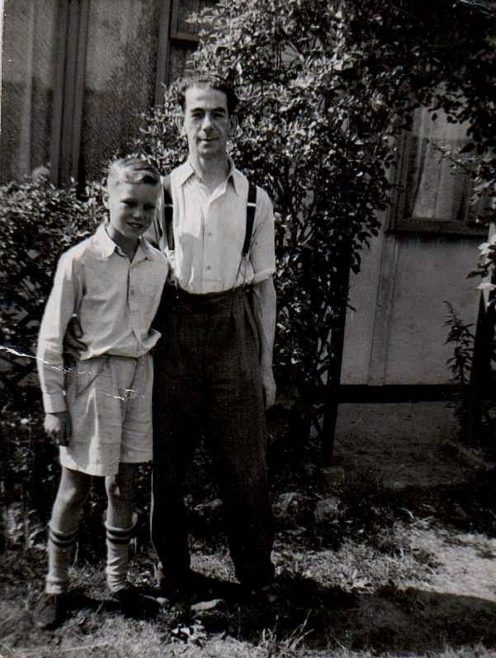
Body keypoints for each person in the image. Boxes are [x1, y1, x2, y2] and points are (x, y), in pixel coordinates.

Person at [149, 74, 277, 603]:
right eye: (197, 114)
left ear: (232, 122)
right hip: (175, 327)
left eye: (218, 114)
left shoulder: (254, 200)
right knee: (168, 462)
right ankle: (172, 575)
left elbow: (265, 288)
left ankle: (256, 577)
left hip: (234, 328)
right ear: (182, 123)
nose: (208, 125)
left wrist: (265, 366)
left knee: (244, 465)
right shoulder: (161, 193)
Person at [35, 157, 168, 628]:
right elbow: (52, 337)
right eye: (129, 202)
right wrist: (54, 404)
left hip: (137, 378)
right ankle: (56, 586)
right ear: (107, 199)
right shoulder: (79, 260)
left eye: (148, 207)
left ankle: (118, 582)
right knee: (74, 485)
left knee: (125, 483)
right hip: (93, 381)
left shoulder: (158, 263)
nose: (137, 214)